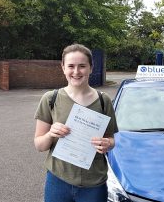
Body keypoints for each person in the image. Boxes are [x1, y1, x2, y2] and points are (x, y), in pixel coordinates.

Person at [34, 44, 118, 202]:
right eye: (71, 66)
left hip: (94, 184)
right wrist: (51, 134)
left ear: (91, 68)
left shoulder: (103, 100)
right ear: (63, 68)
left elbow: (111, 140)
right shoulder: (51, 99)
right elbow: (39, 145)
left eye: (82, 66)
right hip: (58, 181)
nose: (76, 72)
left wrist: (107, 143)